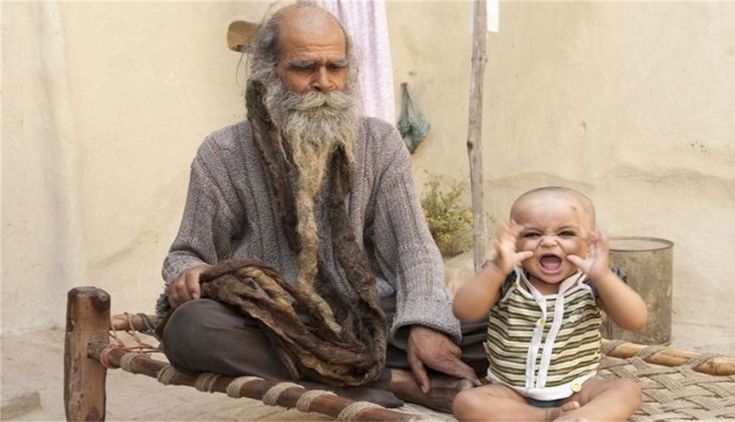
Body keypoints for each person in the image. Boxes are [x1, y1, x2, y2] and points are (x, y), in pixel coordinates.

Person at [156, 2, 486, 412]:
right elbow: (185, 254)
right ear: (267, 70)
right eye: (304, 67)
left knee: (498, 317)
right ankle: (395, 383)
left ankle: (360, 373)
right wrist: (189, 274)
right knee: (192, 329)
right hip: (278, 323)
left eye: (336, 67)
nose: (324, 82)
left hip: (368, 316)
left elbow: (413, 249)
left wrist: (424, 322)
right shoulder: (222, 153)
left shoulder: (380, 142)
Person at [452, 186, 647, 421]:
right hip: (511, 391)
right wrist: (496, 268)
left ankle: (581, 417)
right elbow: (463, 310)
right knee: (467, 403)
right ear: (514, 243)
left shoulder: (593, 281)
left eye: (566, 234)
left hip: (577, 389)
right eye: (532, 235)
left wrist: (603, 276)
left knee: (627, 391)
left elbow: (635, 321)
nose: (548, 242)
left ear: (589, 242)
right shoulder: (506, 278)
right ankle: (546, 416)